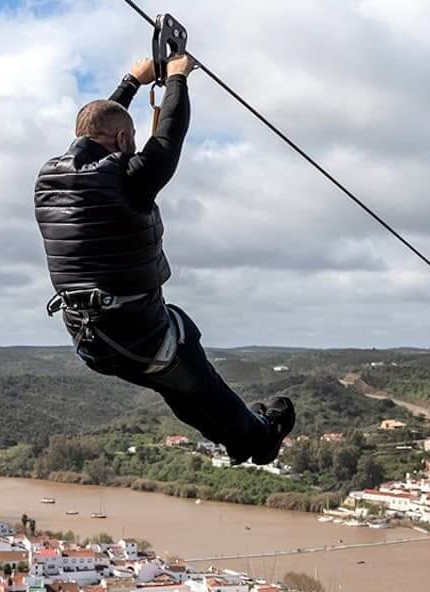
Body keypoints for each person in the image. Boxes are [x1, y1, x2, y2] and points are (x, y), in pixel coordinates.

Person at [34, 54, 294, 465]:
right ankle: (261, 440)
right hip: (139, 335)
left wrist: (133, 81)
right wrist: (177, 79)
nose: (137, 146)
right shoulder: (130, 181)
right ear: (121, 141)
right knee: (191, 365)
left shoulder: (50, 177)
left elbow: (95, 124)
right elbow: (170, 136)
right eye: (133, 138)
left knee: (177, 385)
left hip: (91, 341)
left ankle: (242, 438)